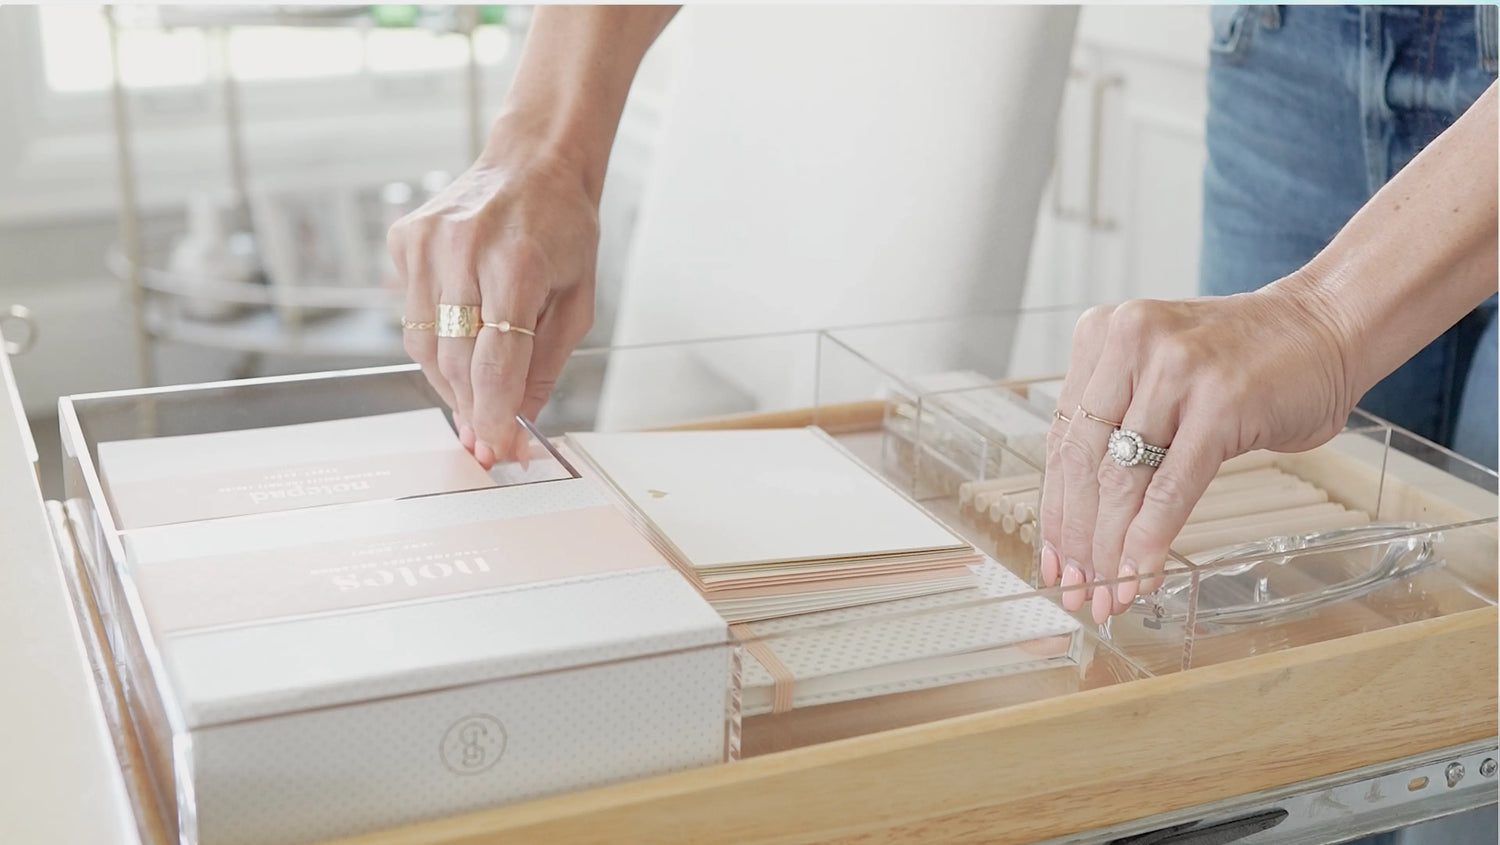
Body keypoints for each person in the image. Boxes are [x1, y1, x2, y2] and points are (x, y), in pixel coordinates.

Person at [389, 6, 1495, 841]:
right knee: (1264, 711)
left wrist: (1323, 313)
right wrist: (550, 136)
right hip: (1293, 41)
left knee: (1467, 746)